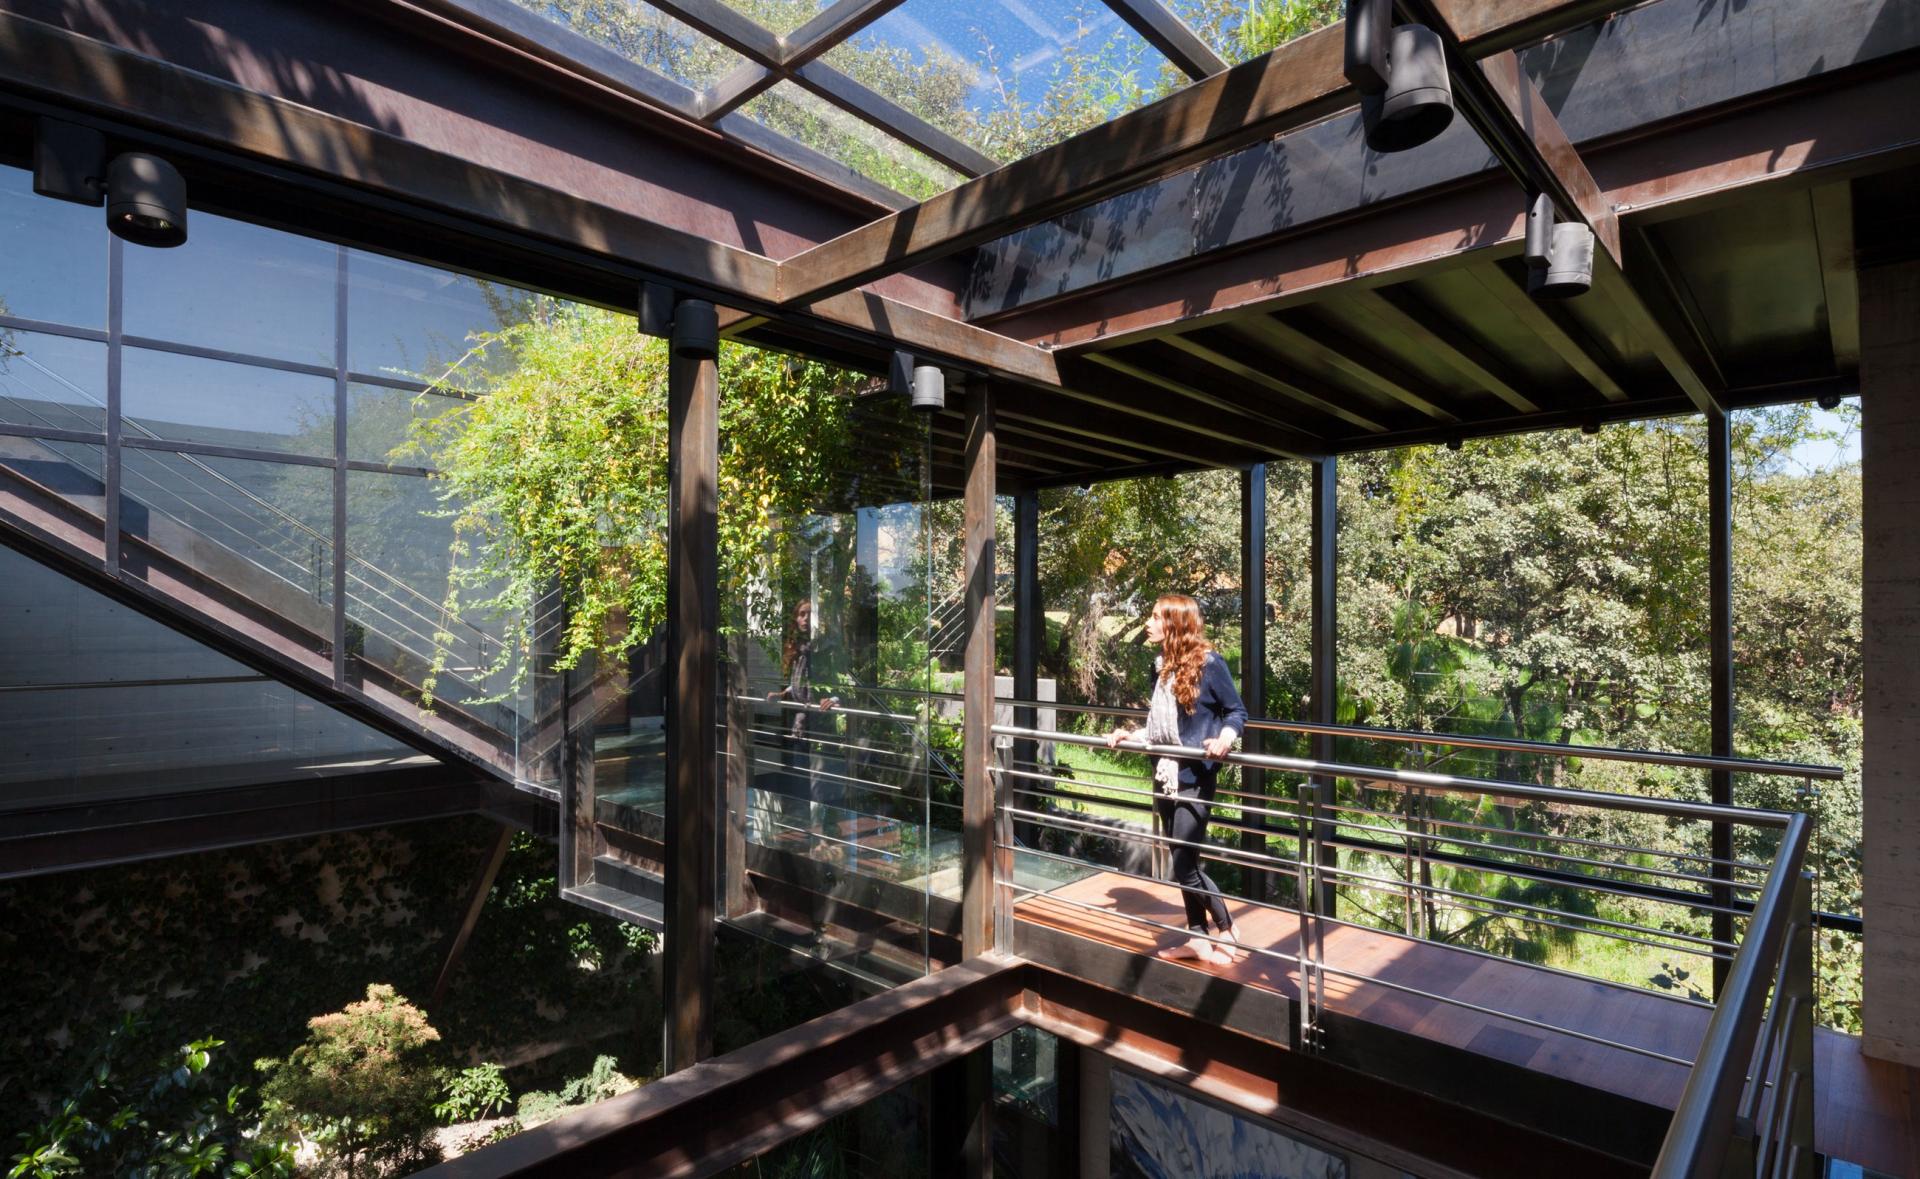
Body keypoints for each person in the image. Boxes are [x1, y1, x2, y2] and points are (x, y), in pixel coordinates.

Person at [1105, 593, 1247, 965]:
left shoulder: (1210, 664)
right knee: (1182, 859)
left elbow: (1235, 711)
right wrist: (1130, 735)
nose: (1148, 623)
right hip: (1166, 772)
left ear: (1175, 624)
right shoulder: (1161, 666)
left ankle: (1228, 928)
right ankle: (1198, 938)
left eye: (1155, 617)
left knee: (1185, 863)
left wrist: (1225, 740)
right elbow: (1162, 728)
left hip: (1195, 774)